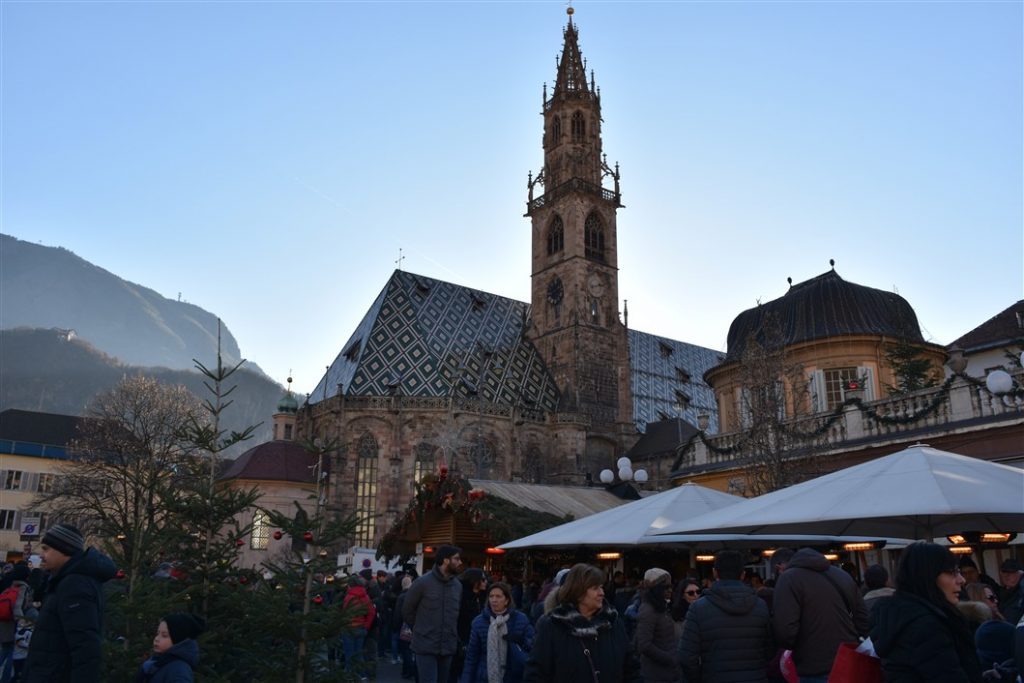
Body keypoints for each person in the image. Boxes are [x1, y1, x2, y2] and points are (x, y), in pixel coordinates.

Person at [870, 541, 983, 682]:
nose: (961, 580)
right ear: (928, 577)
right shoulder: (926, 626)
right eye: (952, 572)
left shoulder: (903, 617)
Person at [22, 524, 116, 683]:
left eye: (46, 549)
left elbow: (85, 647)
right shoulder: (65, 580)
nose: (42, 555)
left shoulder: (74, 585)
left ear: (64, 549)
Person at [523, 563, 641, 683]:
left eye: (601, 587)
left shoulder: (613, 623)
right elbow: (536, 674)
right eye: (595, 588)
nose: (602, 592)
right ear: (578, 592)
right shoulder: (552, 625)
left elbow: (631, 670)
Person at [771, 546, 868, 682]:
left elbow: (785, 632)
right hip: (849, 662)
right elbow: (863, 620)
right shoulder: (843, 576)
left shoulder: (789, 578)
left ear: (780, 567)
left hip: (814, 666)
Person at [680, 550, 774, 683]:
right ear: (742, 575)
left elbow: (687, 657)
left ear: (715, 573)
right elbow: (770, 649)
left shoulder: (698, 608)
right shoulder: (760, 606)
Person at [403, 545, 464, 683]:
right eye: (457, 559)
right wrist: (420, 630)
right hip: (425, 646)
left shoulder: (457, 586)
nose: (460, 562)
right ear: (446, 560)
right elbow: (407, 610)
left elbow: (456, 613)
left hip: (448, 646)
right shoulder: (422, 583)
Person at [460, 581, 534, 683]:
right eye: (491, 596)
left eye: (498, 596)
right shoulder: (479, 622)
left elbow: (534, 646)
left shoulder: (521, 619)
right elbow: (471, 657)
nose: (494, 600)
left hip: (514, 677)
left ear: (507, 600)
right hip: (485, 677)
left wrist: (521, 640)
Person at [633, 568, 679, 683]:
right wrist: (670, 658)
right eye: (666, 587)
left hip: (667, 672)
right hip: (656, 674)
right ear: (656, 588)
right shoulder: (648, 610)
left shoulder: (661, 607)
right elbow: (644, 645)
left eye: (671, 586)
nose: (670, 590)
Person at [133, 613, 205, 683]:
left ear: (178, 640)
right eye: (158, 633)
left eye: (164, 635)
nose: (157, 639)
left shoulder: (179, 670)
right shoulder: (156, 663)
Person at [452, 568, 488, 682]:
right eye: (482, 579)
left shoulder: (484, 597)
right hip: (462, 639)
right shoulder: (462, 596)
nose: (485, 582)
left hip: (478, 639)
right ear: (474, 580)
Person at [1, 564, 35, 683]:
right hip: (13, 624)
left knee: (4, 650)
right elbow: (17, 607)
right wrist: (22, 622)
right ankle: (6, 679)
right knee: (12, 653)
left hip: (4, 623)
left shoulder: (10, 584)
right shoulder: (23, 587)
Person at [341, 575, 376, 681]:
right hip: (361, 628)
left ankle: (350, 676)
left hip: (349, 629)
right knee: (359, 653)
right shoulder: (365, 596)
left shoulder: (348, 597)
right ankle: (362, 675)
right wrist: (366, 626)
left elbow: (344, 614)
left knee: (349, 654)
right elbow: (372, 612)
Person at [393, 575, 416, 680]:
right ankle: (409, 670)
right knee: (412, 650)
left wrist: (396, 626)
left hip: (405, 626)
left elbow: (398, 614)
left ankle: (409, 670)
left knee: (406, 650)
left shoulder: (402, 597)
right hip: (415, 625)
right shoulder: (415, 595)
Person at [997, 559, 1023, 626]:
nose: (1006, 576)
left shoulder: (1021, 592)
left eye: (1011, 573)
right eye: (1004, 572)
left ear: (1020, 573)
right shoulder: (1001, 593)